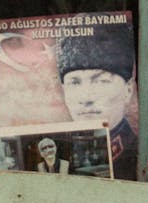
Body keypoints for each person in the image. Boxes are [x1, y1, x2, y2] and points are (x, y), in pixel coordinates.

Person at [56, 23, 137, 180]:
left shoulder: (140, 156)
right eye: (75, 82)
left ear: (128, 90)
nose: (86, 98)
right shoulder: (63, 158)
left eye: (101, 81)